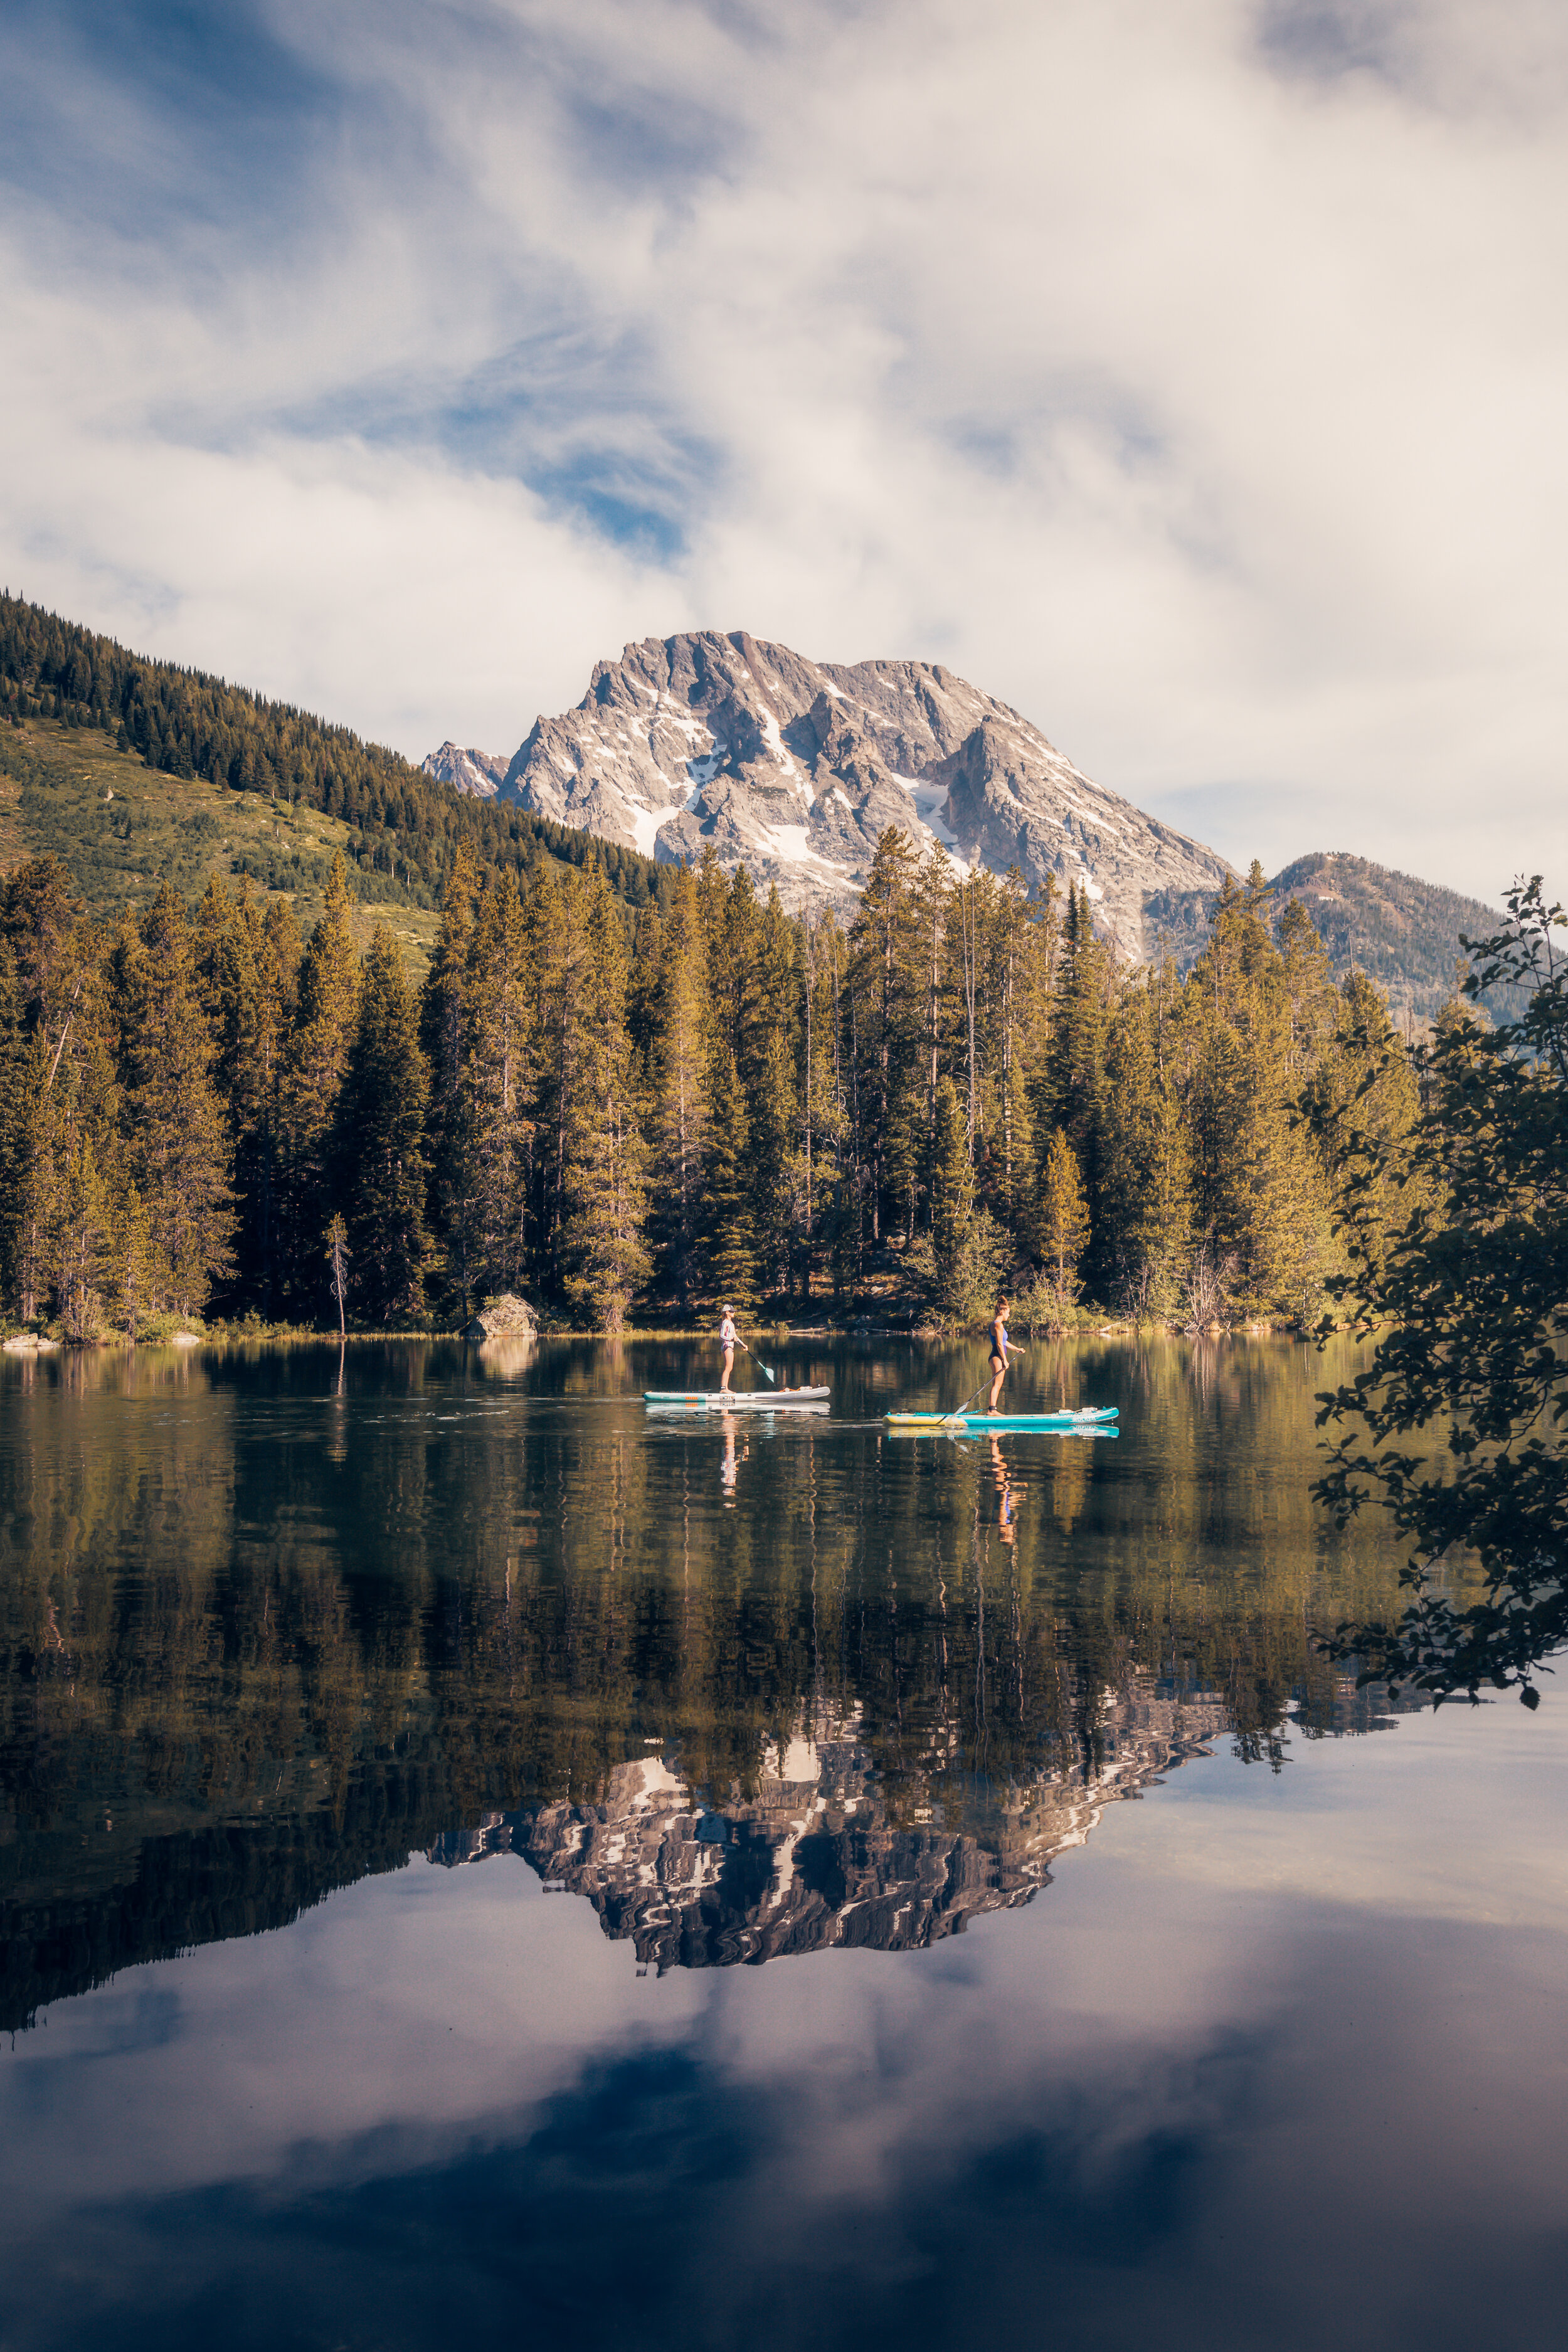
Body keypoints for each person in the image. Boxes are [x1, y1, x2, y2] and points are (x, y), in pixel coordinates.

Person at [987, 1296, 1022, 1412]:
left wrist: (1016, 1349)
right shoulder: (998, 1325)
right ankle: (992, 1411)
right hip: (997, 1357)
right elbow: (998, 1344)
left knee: (997, 1384)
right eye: (1008, 1313)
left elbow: (1003, 1342)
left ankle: (992, 1410)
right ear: (1002, 1312)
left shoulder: (996, 1324)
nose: (1009, 1315)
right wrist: (1005, 1360)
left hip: (996, 1357)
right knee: (997, 1384)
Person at [719, 1303, 738, 1396]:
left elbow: (735, 1337)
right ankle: (723, 1389)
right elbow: (721, 1336)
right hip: (727, 1346)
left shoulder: (731, 1323)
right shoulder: (725, 1322)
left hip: (731, 1346)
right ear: (727, 1312)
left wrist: (744, 1345)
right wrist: (730, 1340)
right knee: (727, 1368)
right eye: (732, 1311)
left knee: (730, 1368)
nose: (734, 1313)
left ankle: (725, 1388)